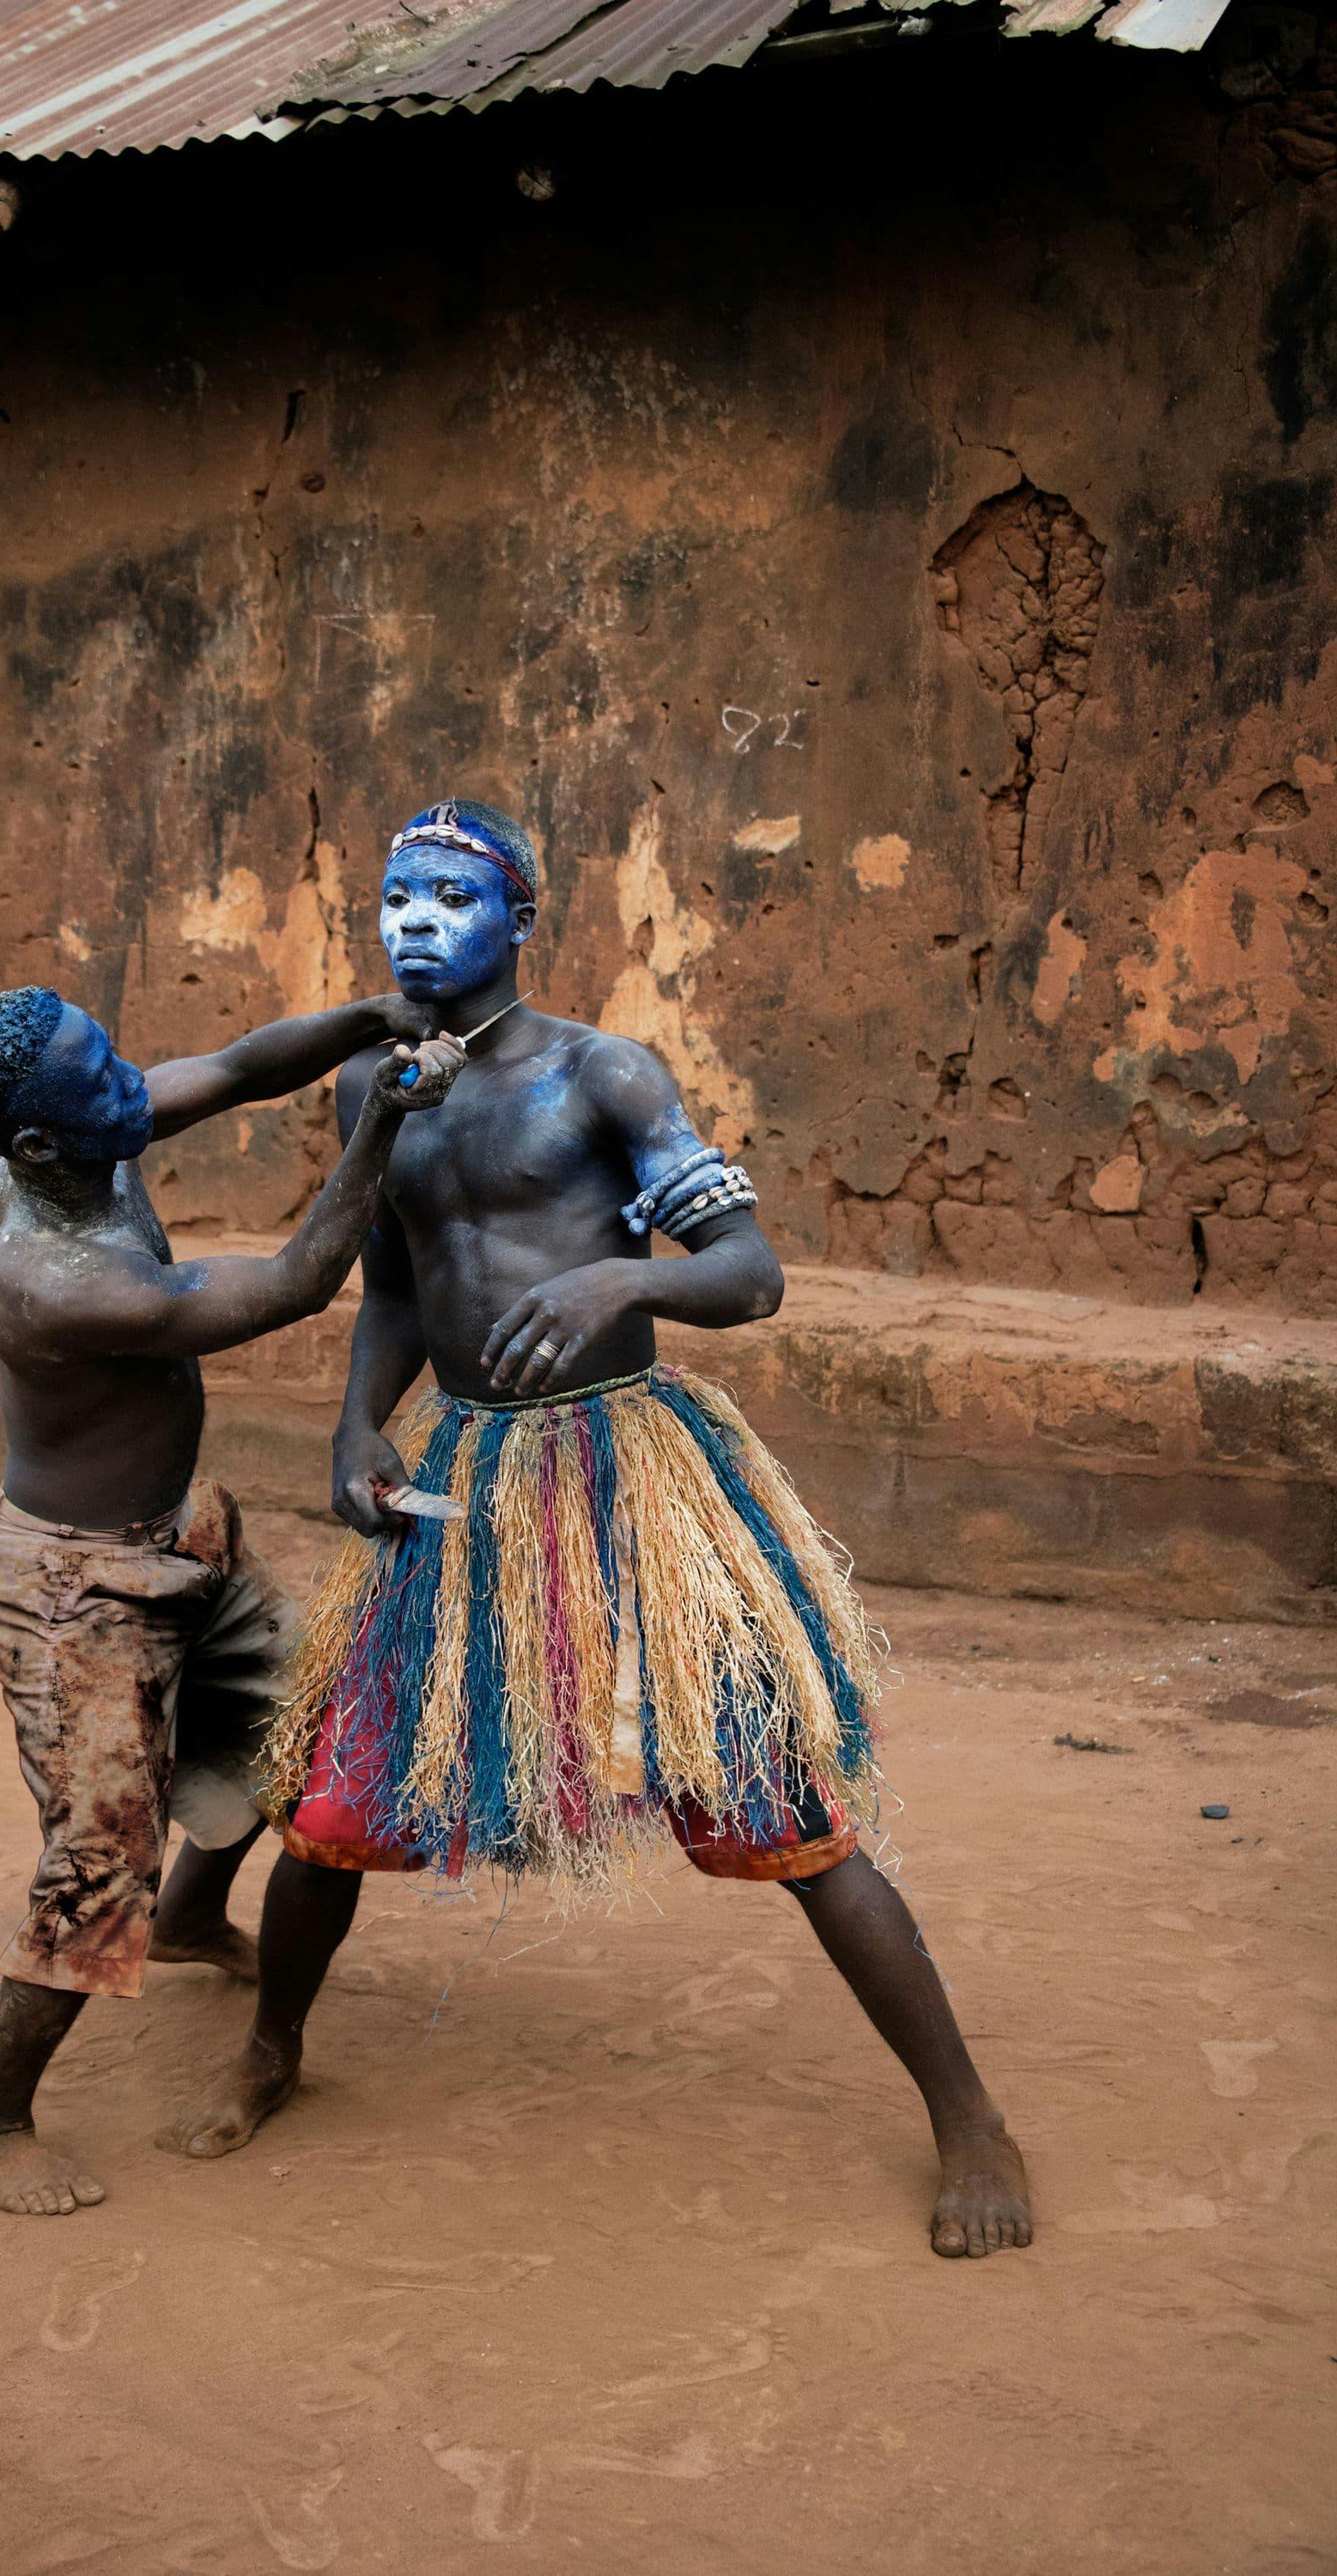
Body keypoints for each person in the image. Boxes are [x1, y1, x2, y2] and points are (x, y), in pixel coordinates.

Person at [172, 799, 1032, 2261]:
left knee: (778, 1806)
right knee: (335, 1797)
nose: (414, 920)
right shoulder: (372, 1089)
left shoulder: (602, 1077)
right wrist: (354, 1426)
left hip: (631, 1485)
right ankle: (274, 2051)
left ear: (520, 923)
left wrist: (622, 1288)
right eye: (395, 895)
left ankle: (969, 2115)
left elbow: (750, 1274)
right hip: (459, 1480)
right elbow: (390, 1285)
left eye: (450, 895)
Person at [0, 980, 465, 2215]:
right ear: (34, 1147)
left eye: (113, 1054)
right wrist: (382, 1118)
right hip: (77, 1590)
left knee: (283, 1729)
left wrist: (369, 1017)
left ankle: (187, 1920)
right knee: (92, 1867)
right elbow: (289, 1286)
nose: (133, 1081)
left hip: (181, 1532)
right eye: (100, 1079)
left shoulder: (95, 1140)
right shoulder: (51, 1277)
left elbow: (231, 1067)